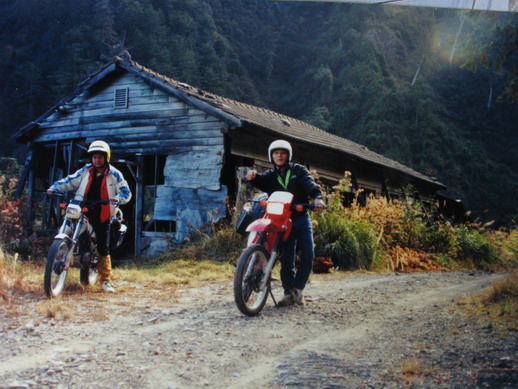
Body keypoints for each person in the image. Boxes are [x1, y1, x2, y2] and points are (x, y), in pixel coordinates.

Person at [246, 140, 325, 306]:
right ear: (271, 156)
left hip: (300, 218)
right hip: (282, 220)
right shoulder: (270, 175)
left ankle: (298, 289)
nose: (279, 156)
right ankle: (288, 294)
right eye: (276, 153)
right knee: (287, 258)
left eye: (282, 153)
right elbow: (260, 181)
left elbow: (309, 183)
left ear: (288, 155)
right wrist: (252, 177)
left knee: (308, 254)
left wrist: (317, 197)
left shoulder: (298, 170)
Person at [47, 140, 131, 293]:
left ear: (106, 157)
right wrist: (55, 187)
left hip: (102, 211)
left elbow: (126, 192)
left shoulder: (114, 173)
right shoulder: (85, 170)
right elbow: (70, 181)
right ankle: (60, 255)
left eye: (100, 157)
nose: (96, 160)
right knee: (65, 229)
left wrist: (118, 199)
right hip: (81, 206)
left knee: (103, 247)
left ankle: (105, 281)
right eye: (94, 157)